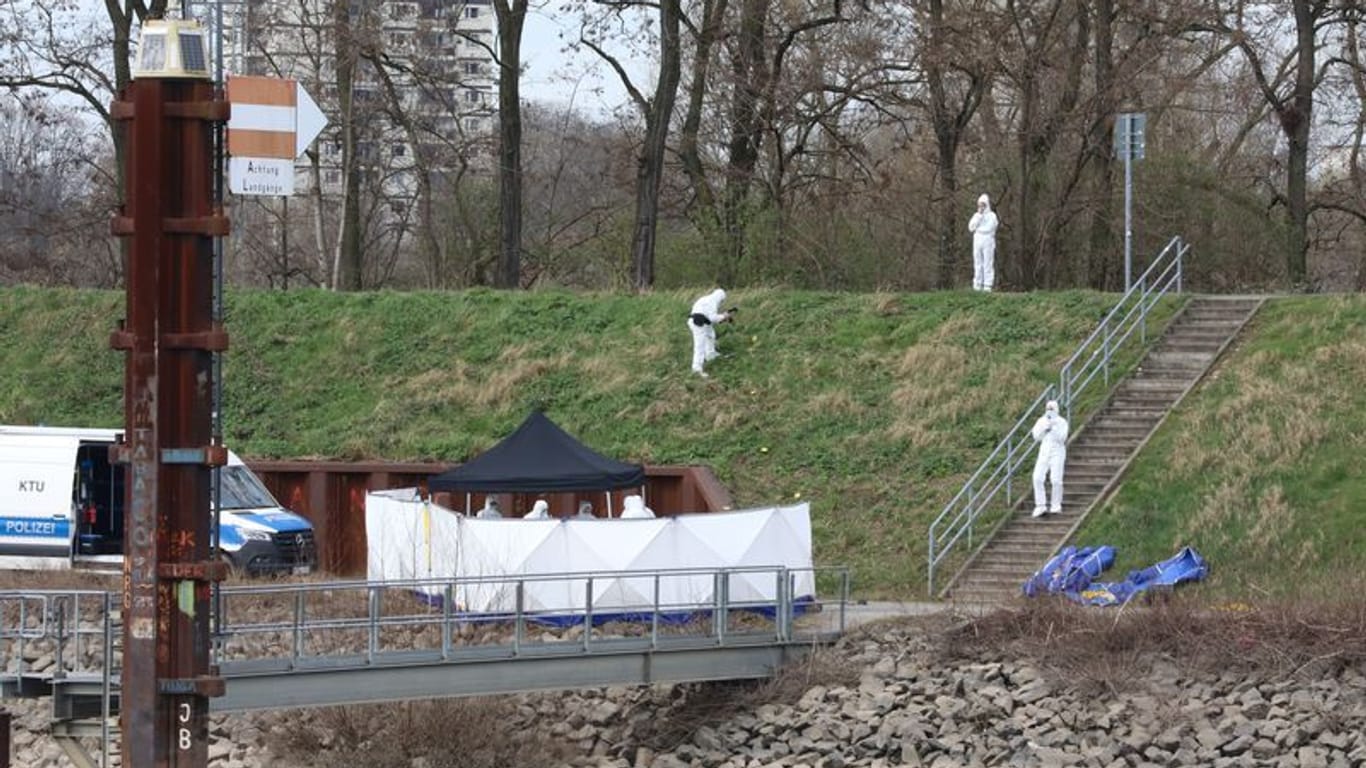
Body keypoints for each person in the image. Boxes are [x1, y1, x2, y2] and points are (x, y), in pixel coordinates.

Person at [1030, 400, 1068, 517]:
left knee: (1056, 479)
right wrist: (1044, 428)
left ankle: (1056, 505)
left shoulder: (1062, 422)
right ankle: (1040, 505)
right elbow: (1036, 436)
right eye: (1048, 408)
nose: (1050, 411)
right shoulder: (1041, 421)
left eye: (1052, 408)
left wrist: (1054, 428)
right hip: (1044, 450)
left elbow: (1062, 438)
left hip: (1057, 451)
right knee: (1037, 477)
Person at [687, 288, 732, 378]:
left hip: (699, 321)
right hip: (699, 323)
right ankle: (696, 369)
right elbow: (713, 318)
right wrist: (724, 316)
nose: (722, 303)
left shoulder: (704, 299)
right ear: (720, 298)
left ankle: (711, 354)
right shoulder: (713, 302)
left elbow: (709, 317)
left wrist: (722, 318)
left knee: (711, 335)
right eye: (722, 301)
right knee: (700, 346)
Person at [968, 193, 998, 292]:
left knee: (988, 262)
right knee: (978, 262)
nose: (981, 207)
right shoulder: (976, 216)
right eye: (979, 205)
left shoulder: (992, 216)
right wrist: (979, 217)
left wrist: (979, 228)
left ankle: (987, 285)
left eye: (983, 205)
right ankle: (977, 284)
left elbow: (990, 228)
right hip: (977, 240)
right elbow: (971, 227)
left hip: (988, 240)